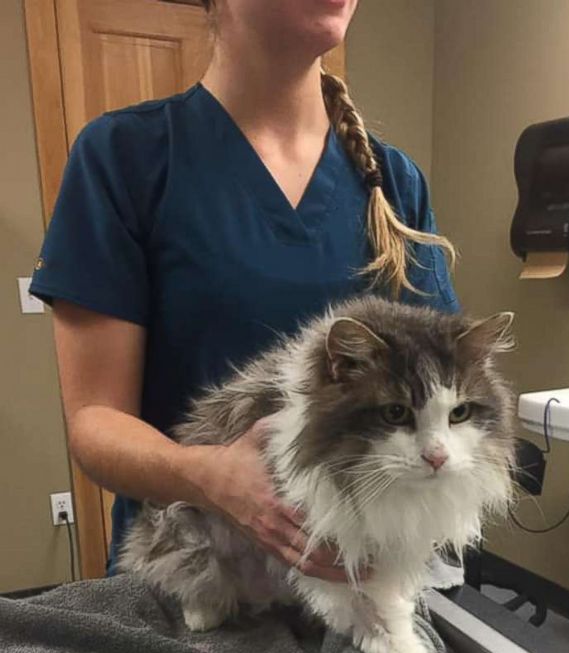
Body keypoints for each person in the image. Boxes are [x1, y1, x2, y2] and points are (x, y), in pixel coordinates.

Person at [30, 0, 458, 579]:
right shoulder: (124, 159)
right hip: (197, 569)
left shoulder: (395, 183)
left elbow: (446, 396)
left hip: (357, 579)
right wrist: (208, 477)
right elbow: (96, 422)